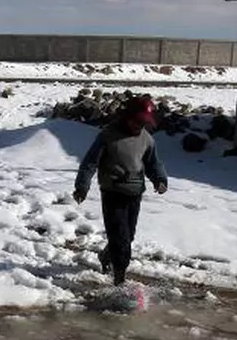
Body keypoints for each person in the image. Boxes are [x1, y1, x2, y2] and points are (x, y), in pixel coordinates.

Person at [72, 95, 168, 286]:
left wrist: (159, 179)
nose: (139, 126)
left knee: (128, 235)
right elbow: (90, 163)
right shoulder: (108, 136)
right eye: (137, 122)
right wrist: (82, 186)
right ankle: (119, 279)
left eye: (144, 123)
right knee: (120, 237)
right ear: (128, 117)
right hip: (113, 193)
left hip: (135, 193)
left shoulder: (146, 140)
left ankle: (106, 257)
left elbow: (153, 163)